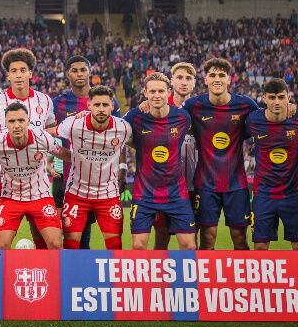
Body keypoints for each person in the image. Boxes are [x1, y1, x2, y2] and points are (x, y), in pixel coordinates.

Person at [0, 48, 57, 249]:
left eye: (23, 70)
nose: (19, 75)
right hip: (6, 180)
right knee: (3, 240)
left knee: (41, 231)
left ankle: (42, 272)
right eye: (14, 71)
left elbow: (51, 130)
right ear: (7, 75)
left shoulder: (44, 100)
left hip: (37, 178)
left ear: (30, 73)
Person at [184, 58, 258, 250]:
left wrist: (290, 108)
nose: (217, 79)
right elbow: (170, 113)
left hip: (236, 183)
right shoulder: (193, 106)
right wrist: (145, 106)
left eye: (221, 75)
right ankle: (206, 281)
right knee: (207, 238)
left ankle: (242, 281)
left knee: (240, 238)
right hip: (205, 184)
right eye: (212, 75)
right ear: (205, 79)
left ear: (229, 79)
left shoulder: (246, 105)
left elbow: (267, 120)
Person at [52, 55, 121, 248]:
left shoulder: (105, 100)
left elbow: (121, 134)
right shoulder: (59, 103)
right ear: (67, 74)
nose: (79, 74)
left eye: (83, 69)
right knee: (74, 237)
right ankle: (76, 275)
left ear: (90, 71)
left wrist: (121, 169)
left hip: (102, 180)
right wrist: (58, 159)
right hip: (68, 179)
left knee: (100, 237)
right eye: (74, 70)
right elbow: (46, 135)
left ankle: (89, 273)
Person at [123, 73, 196, 250]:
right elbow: (116, 133)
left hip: (176, 192)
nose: (157, 95)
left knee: (189, 246)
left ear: (168, 92)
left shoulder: (182, 117)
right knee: (139, 246)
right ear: (145, 93)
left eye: (161, 91)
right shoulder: (135, 117)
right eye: (152, 91)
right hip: (144, 192)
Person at [56, 85, 132, 250]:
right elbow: (50, 136)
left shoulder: (123, 128)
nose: (101, 109)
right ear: (88, 105)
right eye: (97, 105)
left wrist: (123, 168)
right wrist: (62, 157)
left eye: (105, 105)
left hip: (108, 195)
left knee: (115, 246)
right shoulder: (73, 124)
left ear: (112, 106)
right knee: (70, 245)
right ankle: (73, 276)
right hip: (76, 194)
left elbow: (131, 143)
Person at [0, 103, 64, 250]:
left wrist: (81, 157)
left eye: (21, 120)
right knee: (1, 246)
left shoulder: (43, 138)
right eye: (12, 121)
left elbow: (60, 153)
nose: (17, 125)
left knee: (56, 244)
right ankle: (6, 273)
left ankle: (50, 272)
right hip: (11, 198)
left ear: (28, 121)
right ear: (5, 123)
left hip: (40, 196)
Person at [247, 79, 298, 251]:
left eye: (281, 97)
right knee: (260, 246)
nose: (277, 102)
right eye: (272, 97)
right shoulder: (253, 120)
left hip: (293, 193)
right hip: (263, 193)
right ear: (264, 98)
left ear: (288, 98)